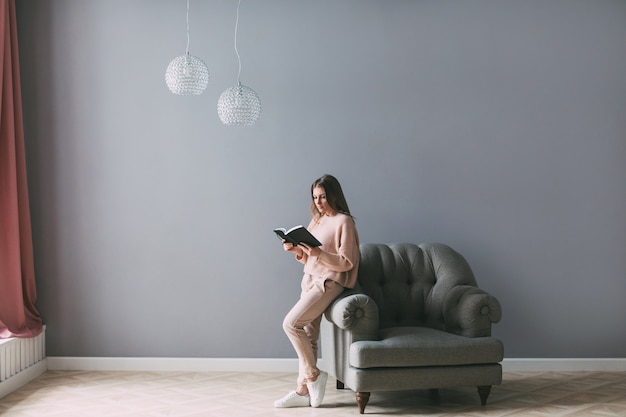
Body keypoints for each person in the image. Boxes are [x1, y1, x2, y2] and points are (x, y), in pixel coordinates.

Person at [274, 174, 360, 409]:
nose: (319, 202)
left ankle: (313, 375)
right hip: (311, 280)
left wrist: (318, 253)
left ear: (333, 195)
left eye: (323, 196)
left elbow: (347, 261)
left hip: (328, 283)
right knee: (309, 338)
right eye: (315, 197)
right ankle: (302, 391)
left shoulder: (344, 222)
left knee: (291, 324)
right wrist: (295, 251)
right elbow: (309, 259)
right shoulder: (318, 220)